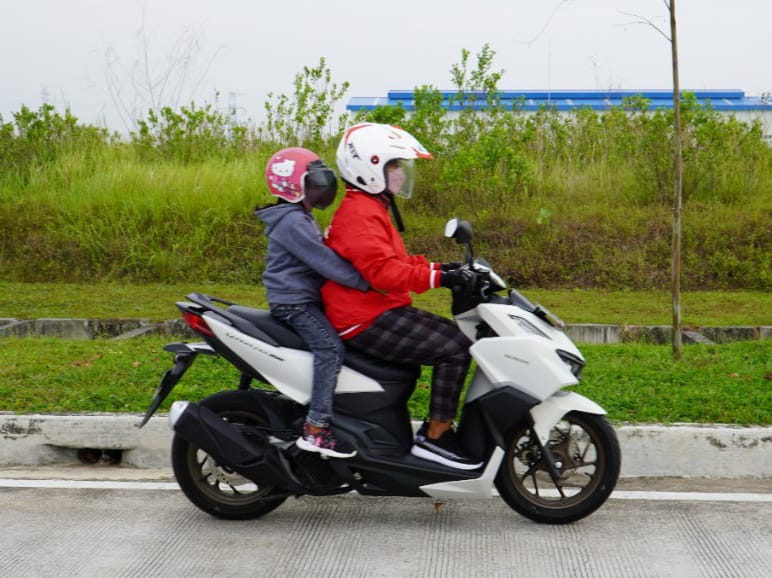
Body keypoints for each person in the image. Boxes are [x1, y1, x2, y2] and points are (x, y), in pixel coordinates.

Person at [320, 123, 483, 470]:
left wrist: (444, 267)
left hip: (377, 309)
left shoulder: (368, 208)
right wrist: (440, 277)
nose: (400, 174)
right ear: (370, 168)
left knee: (448, 340)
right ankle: (436, 437)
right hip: (364, 319)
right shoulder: (359, 215)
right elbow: (385, 273)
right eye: (394, 166)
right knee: (454, 346)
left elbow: (395, 262)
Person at [256, 147, 369, 459]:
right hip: (293, 303)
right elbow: (325, 262)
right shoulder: (292, 222)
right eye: (315, 183)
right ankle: (316, 428)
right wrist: (368, 281)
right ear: (293, 186)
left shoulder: (297, 217)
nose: (323, 189)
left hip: (301, 298)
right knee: (329, 348)